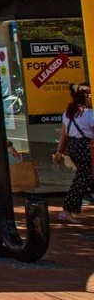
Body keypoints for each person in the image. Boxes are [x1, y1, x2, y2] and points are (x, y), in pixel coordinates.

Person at [56, 83, 94, 223]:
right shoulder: (88, 114)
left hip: (74, 146)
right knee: (83, 177)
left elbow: (64, 135)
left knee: (85, 175)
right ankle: (67, 210)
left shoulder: (68, 113)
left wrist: (60, 151)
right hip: (86, 147)